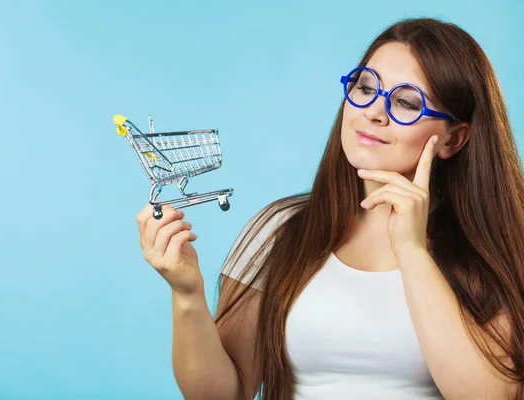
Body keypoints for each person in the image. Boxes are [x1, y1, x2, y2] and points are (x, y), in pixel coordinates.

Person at [135, 17, 524, 399]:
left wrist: (411, 250)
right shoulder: (280, 229)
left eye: (406, 102)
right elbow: (223, 394)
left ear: (453, 140)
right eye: (366, 87)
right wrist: (187, 294)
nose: (373, 111)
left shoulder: (490, 249)